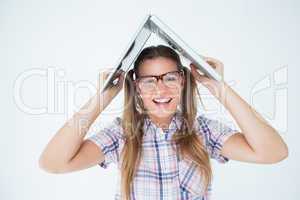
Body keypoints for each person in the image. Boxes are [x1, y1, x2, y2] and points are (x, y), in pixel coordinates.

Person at [39, 45, 288, 200]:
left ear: (182, 81)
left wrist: (218, 86)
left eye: (170, 77)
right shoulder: (122, 134)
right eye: (149, 80)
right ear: (136, 88)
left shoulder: (204, 131)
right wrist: (101, 97)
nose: (161, 88)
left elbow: (273, 153)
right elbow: (53, 163)